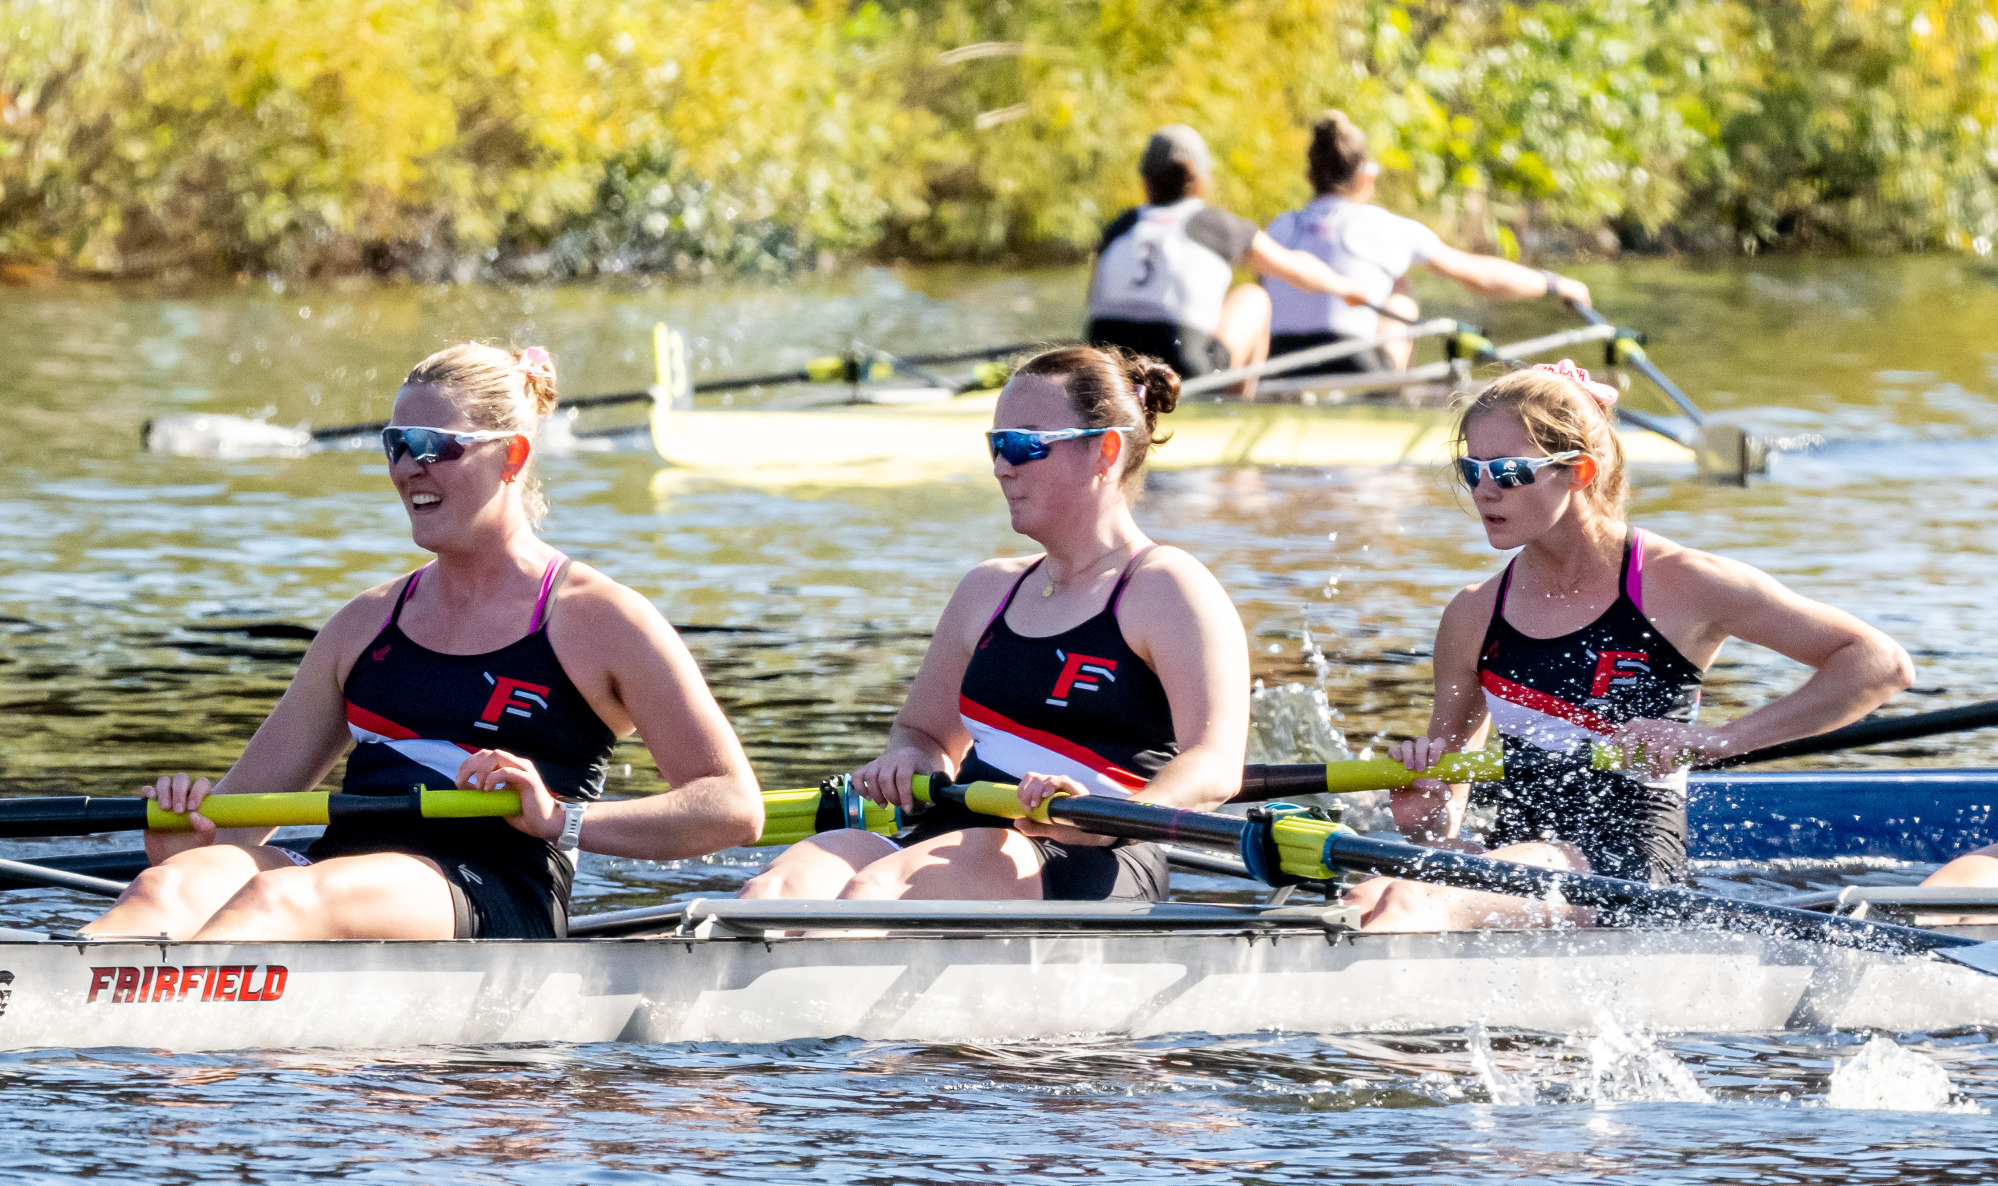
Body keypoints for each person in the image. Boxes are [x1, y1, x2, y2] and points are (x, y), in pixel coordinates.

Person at [83, 342, 764, 942]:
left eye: (435, 446)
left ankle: (165, 1064)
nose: (410, 467)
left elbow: (732, 805)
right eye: (395, 444)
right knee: (168, 889)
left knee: (276, 895)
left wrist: (562, 819)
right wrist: (179, 834)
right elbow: (232, 826)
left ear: (512, 456)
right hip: (336, 878)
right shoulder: (364, 624)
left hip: (490, 891)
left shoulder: (601, 619)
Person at [1344, 360, 1914, 930]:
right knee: (1363, 897)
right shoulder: (1472, 614)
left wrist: (1719, 740)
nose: (1484, 490)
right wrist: (1423, 820)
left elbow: (1878, 663)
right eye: (1472, 469)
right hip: (1520, 861)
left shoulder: (1681, 584)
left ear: (1580, 471)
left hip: (1629, 872)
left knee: (1405, 903)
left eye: (1510, 470)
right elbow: (1449, 790)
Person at [742, 344, 1249, 902]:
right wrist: (910, 759)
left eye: (1024, 444)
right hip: (957, 835)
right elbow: (926, 734)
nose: (1001, 466)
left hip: (1094, 854)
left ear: (1105, 451)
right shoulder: (986, 589)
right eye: (995, 444)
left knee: (876, 890)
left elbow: (1216, 764)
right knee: (780, 887)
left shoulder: (1167, 588)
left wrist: (1112, 816)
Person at [1262, 111, 1595, 375]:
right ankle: (1392, 393)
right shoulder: (1385, 226)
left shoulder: (1278, 227)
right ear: (1367, 178)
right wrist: (1554, 283)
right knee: (1399, 286)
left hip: (1279, 364)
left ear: (1310, 178)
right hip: (1355, 366)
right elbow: (1480, 277)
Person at [1084, 124, 1371, 383]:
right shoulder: (1216, 225)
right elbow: (1295, 269)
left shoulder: (1117, 229)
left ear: (1146, 181)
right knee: (1254, 297)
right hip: (1182, 368)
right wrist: (1346, 287)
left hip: (1108, 371)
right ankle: (1236, 411)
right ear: (1197, 179)